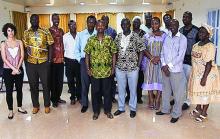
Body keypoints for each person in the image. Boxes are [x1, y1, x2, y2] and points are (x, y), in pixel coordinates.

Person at [84, 20, 117, 120]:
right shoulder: (91, 40)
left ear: (105, 27)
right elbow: (87, 55)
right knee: (95, 92)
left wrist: (113, 68)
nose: (100, 27)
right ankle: (96, 111)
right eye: (98, 25)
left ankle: (107, 111)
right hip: (95, 72)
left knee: (107, 92)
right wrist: (88, 68)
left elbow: (114, 54)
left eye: (102, 25)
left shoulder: (109, 39)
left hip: (107, 72)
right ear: (95, 27)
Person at [156, 19, 187, 123]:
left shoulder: (182, 38)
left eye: (175, 25)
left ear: (178, 26)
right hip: (165, 70)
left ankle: (176, 113)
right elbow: (162, 53)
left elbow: (180, 56)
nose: (172, 26)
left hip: (176, 70)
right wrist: (164, 65)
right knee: (166, 91)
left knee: (178, 93)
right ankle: (165, 109)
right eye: (171, 25)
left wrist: (168, 66)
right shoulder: (167, 37)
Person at [188, 24, 220, 122]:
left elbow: (209, 63)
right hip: (196, 73)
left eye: (203, 32)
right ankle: (198, 108)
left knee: (205, 93)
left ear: (208, 35)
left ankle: (204, 112)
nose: (200, 34)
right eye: (200, 31)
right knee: (197, 92)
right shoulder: (196, 44)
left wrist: (204, 78)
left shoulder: (210, 46)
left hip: (207, 74)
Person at [114, 18, 145, 118]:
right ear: (121, 25)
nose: (125, 26)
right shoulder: (118, 36)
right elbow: (114, 51)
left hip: (133, 68)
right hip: (120, 68)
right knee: (121, 89)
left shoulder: (135, 36)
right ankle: (121, 108)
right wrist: (114, 65)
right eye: (123, 24)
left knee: (132, 89)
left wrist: (138, 65)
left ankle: (132, 108)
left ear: (130, 25)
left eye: (127, 24)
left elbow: (141, 50)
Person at [23, 14, 54, 114]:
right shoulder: (26, 32)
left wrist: (49, 61)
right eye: (32, 19)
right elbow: (25, 48)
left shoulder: (45, 31)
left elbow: (50, 46)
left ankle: (47, 105)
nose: (34, 21)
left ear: (39, 20)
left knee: (46, 85)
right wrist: (26, 63)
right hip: (31, 63)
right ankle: (35, 105)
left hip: (43, 62)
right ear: (30, 21)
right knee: (33, 85)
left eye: (36, 19)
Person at [1, 23, 27, 119]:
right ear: (6, 32)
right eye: (8, 30)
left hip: (19, 69)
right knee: (9, 91)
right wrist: (13, 69)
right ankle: (10, 110)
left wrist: (17, 68)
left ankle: (20, 107)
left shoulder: (19, 42)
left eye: (12, 30)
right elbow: (4, 59)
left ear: (14, 31)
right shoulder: (3, 43)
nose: (10, 32)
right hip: (8, 71)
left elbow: (22, 56)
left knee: (19, 89)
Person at [142, 17, 166, 110]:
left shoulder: (164, 35)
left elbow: (166, 48)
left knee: (160, 80)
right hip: (150, 61)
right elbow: (144, 48)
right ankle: (151, 99)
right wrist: (152, 58)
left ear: (159, 24)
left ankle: (158, 99)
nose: (154, 25)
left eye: (156, 23)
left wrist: (159, 58)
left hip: (161, 61)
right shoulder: (147, 35)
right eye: (152, 23)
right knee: (149, 80)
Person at [75, 15, 97, 113]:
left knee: (96, 84)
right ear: (87, 23)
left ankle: (96, 103)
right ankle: (85, 104)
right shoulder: (81, 34)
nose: (91, 24)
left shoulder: (98, 33)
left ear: (95, 23)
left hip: (96, 62)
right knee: (85, 84)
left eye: (93, 22)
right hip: (84, 61)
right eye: (89, 22)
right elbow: (77, 49)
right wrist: (80, 60)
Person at [180, 11, 199, 110]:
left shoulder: (196, 30)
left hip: (190, 61)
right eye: (183, 17)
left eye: (186, 17)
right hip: (180, 61)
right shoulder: (181, 30)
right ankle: (179, 98)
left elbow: (199, 46)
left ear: (191, 18)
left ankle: (187, 101)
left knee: (188, 82)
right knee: (180, 82)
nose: (184, 19)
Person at [125, 16, 146, 104]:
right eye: (134, 22)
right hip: (129, 60)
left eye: (137, 22)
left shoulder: (143, 33)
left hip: (141, 60)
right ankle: (129, 95)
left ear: (140, 24)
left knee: (139, 80)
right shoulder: (129, 33)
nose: (136, 24)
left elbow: (144, 47)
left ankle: (139, 96)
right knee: (128, 80)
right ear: (132, 24)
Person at [49, 13, 66, 108]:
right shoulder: (49, 31)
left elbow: (63, 44)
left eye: (58, 19)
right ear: (52, 19)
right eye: (55, 19)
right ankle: (54, 100)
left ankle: (58, 97)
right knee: (53, 81)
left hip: (61, 60)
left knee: (60, 81)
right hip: (53, 60)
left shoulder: (61, 30)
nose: (56, 20)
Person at [63, 20, 81, 105]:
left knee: (79, 81)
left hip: (78, 62)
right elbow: (62, 49)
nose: (73, 27)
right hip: (69, 61)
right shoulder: (65, 36)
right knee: (70, 81)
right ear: (68, 26)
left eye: (75, 25)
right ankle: (72, 97)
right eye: (71, 25)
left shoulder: (80, 35)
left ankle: (79, 96)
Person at [101, 15, 117, 103]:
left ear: (108, 21)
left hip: (110, 60)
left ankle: (112, 96)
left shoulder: (113, 31)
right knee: (102, 81)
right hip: (100, 61)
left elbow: (115, 46)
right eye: (103, 20)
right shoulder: (98, 30)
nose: (105, 21)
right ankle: (103, 97)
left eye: (106, 20)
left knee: (111, 80)